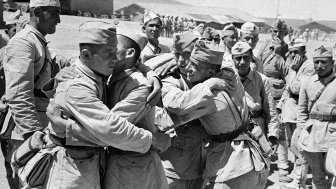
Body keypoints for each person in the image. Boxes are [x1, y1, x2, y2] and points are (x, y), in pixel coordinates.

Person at [34, 21, 170, 188]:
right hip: (72, 171)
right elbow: (110, 129)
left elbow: (108, 131)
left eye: (115, 52)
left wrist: (149, 72)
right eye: (109, 53)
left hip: (121, 168)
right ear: (86, 55)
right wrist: (152, 140)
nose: (114, 59)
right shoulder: (79, 84)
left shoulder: (102, 73)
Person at [2, 1, 80, 187]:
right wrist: (34, 138)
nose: (59, 19)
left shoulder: (38, 41)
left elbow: (58, 65)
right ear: (37, 12)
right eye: (54, 13)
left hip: (38, 129)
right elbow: (19, 95)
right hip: (26, 133)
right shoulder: (23, 42)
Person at [147, 31, 211, 189]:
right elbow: (176, 106)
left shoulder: (204, 77)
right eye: (177, 54)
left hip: (200, 164)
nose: (182, 60)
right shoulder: (171, 79)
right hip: (173, 166)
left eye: (187, 54)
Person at [277, 38, 315, 189]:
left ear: (304, 52)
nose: (292, 55)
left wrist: (292, 70)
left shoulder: (308, 66)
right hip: (289, 111)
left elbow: (296, 89)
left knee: (299, 146)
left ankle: (299, 181)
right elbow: (287, 89)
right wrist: (280, 106)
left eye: (296, 52)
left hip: (300, 112)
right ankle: (296, 173)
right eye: (291, 52)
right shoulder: (297, 65)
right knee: (292, 144)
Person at [256, 19, 290, 183]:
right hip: (262, 91)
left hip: (279, 93)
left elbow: (288, 73)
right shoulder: (263, 46)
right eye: (274, 32)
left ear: (285, 33)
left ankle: (283, 166)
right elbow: (256, 66)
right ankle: (262, 165)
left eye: (280, 32)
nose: (277, 35)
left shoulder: (287, 50)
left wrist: (278, 54)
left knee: (280, 131)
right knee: (261, 128)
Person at [298, 46, 336, 189]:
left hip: (332, 136)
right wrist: (301, 132)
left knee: (333, 173)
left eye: (324, 62)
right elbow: (302, 111)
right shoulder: (308, 82)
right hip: (312, 135)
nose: (319, 66)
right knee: (317, 176)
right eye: (316, 62)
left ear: (332, 63)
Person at [232, 41, 279, 156]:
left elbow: (271, 111)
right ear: (232, 59)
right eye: (238, 58)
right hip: (233, 131)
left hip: (256, 130)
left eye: (246, 58)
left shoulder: (261, 80)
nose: (242, 62)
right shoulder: (228, 79)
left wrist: (273, 136)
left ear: (251, 58)